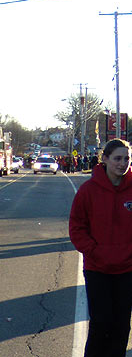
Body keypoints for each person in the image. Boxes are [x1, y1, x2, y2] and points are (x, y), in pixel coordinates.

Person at [69, 139, 132, 357]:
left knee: (121, 326)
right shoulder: (88, 191)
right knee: (101, 323)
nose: (122, 163)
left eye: (126, 159)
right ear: (104, 159)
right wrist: (94, 251)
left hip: (127, 270)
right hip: (98, 269)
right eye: (117, 158)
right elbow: (77, 227)